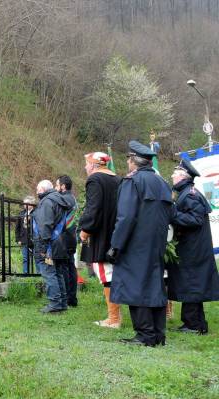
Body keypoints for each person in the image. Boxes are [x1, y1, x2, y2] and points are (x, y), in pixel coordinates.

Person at [107, 140, 173, 346]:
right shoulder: (162, 183)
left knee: (136, 287)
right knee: (155, 286)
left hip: (135, 244)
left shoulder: (133, 182)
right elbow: (171, 214)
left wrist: (116, 245)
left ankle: (144, 335)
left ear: (134, 161)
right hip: (157, 244)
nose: (127, 162)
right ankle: (158, 335)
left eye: (128, 158)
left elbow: (125, 217)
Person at [166, 159, 219, 334]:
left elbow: (194, 220)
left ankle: (194, 325)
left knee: (192, 284)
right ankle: (195, 323)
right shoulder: (187, 192)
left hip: (194, 249)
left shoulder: (190, 194)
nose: (172, 175)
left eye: (175, 172)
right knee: (191, 284)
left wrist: (172, 213)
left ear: (183, 176)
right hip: (193, 247)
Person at [79, 152, 122, 328]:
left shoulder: (95, 179)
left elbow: (93, 208)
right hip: (117, 232)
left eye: (87, 164)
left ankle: (114, 319)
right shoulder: (117, 179)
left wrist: (85, 230)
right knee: (115, 274)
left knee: (107, 275)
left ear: (95, 165)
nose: (85, 167)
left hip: (102, 234)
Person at [32, 179, 73, 313]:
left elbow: (45, 224)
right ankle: (62, 303)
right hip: (60, 241)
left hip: (48, 243)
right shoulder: (59, 200)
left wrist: (43, 246)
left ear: (43, 189)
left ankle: (55, 304)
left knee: (49, 273)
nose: (37, 192)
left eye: (38, 190)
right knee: (58, 273)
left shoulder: (47, 202)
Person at [55, 175, 78, 307]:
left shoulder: (62, 199)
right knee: (71, 267)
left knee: (64, 268)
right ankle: (72, 298)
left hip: (63, 237)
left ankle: (66, 298)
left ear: (63, 186)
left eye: (57, 185)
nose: (55, 188)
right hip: (71, 237)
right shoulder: (73, 198)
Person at [15, 195, 38, 274]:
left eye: (27, 203)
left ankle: (39, 274)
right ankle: (26, 273)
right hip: (24, 238)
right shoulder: (22, 213)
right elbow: (17, 227)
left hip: (35, 238)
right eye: (24, 204)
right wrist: (18, 239)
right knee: (25, 258)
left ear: (32, 204)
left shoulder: (36, 212)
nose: (25, 205)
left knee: (37, 257)